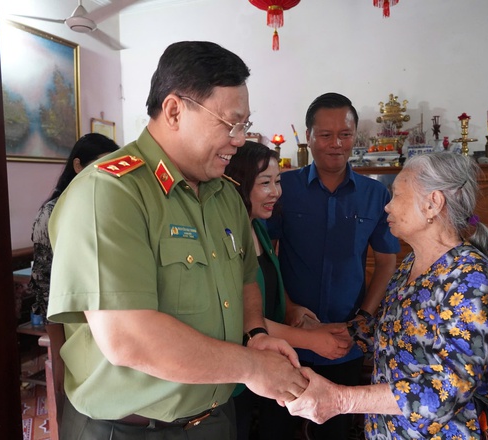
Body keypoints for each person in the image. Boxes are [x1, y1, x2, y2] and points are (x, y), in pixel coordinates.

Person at [47, 41, 308, 440]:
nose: (240, 140)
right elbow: (128, 338)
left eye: (244, 125)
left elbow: (245, 278)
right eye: (230, 123)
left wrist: (255, 335)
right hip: (127, 429)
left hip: (213, 419)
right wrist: (252, 368)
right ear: (174, 110)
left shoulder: (224, 196)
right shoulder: (110, 193)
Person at [286, 152, 488, 440]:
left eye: (397, 196)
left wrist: (340, 399)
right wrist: (323, 334)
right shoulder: (411, 264)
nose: (387, 207)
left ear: (433, 204)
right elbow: (389, 331)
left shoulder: (470, 280)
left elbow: (446, 389)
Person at [266, 92, 400, 439]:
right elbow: (263, 253)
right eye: (325, 135)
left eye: (345, 134)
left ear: (356, 136)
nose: (336, 144)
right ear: (308, 137)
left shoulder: (375, 195)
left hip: (345, 340)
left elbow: (387, 261)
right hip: (287, 338)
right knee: (275, 429)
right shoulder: (284, 188)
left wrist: (365, 317)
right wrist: (290, 305)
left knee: (335, 432)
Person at [224, 141, 353, 440]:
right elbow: (240, 317)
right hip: (238, 371)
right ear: (240, 184)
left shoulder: (258, 228)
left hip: (267, 364)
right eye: (265, 183)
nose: (276, 192)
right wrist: (310, 340)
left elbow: (267, 284)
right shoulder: (229, 238)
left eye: (278, 181)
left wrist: (291, 306)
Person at [28, 133, 119, 320]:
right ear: (78, 166)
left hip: (106, 311)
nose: (109, 174)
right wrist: (56, 340)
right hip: (69, 315)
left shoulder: (110, 206)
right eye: (101, 166)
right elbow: (44, 280)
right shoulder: (51, 212)